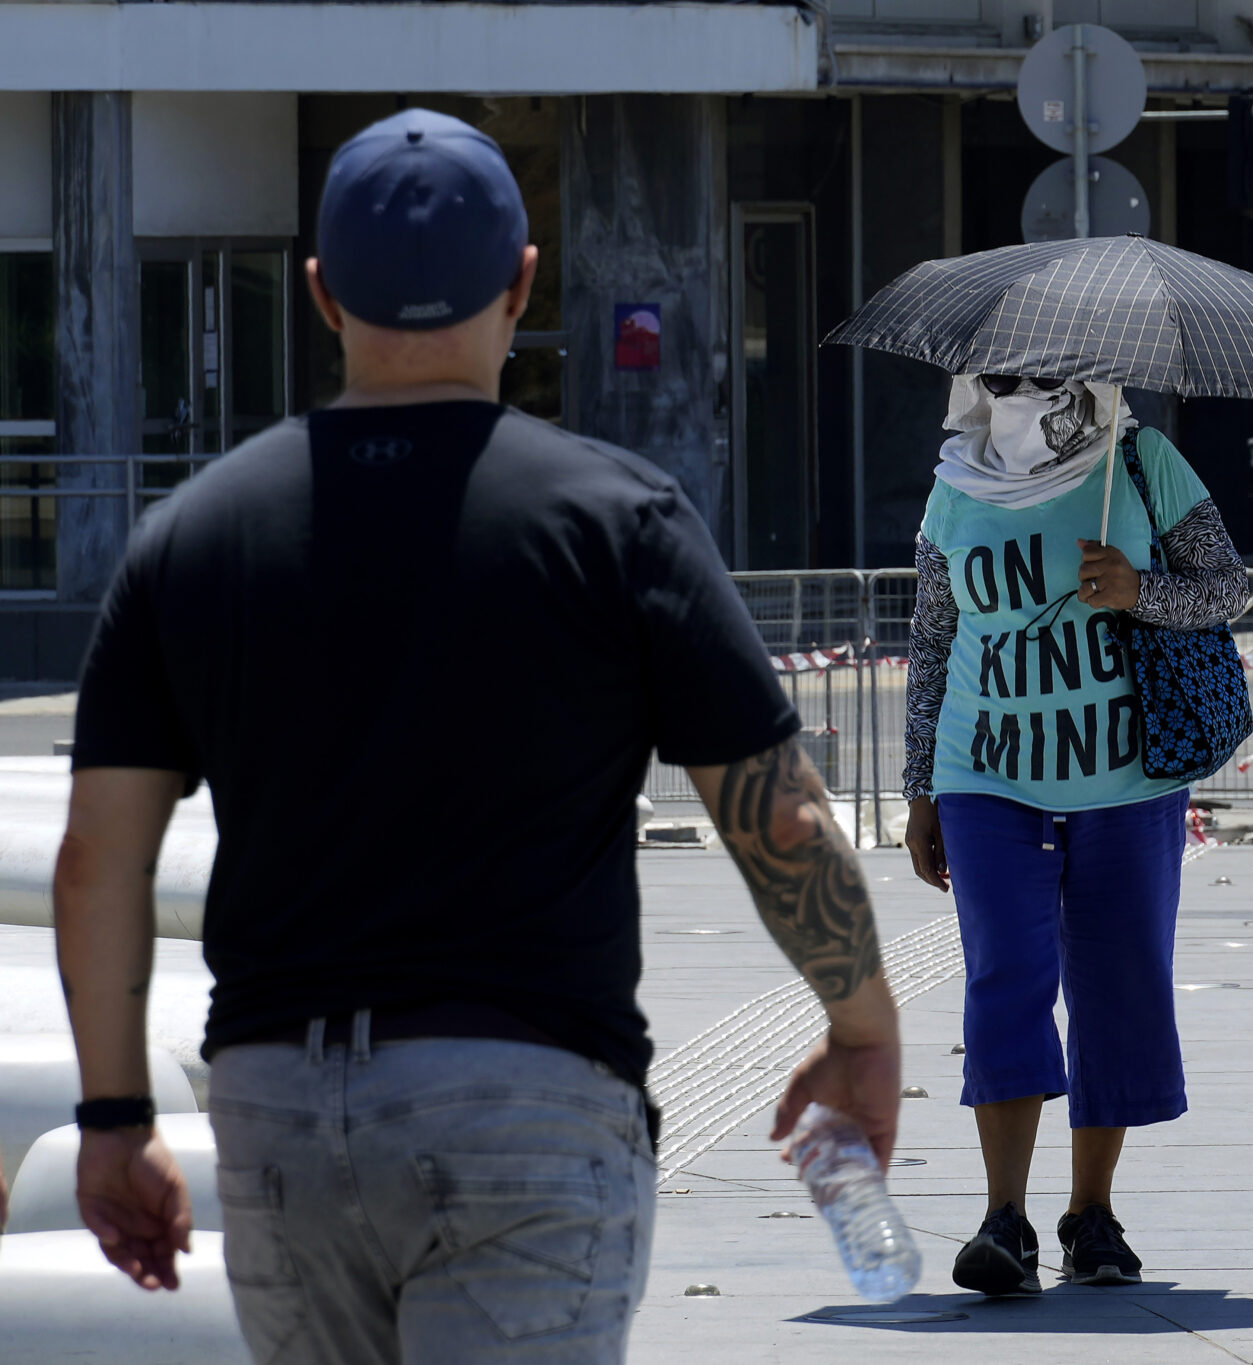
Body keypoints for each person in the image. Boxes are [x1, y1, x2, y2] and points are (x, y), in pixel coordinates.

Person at [54, 109, 900, 1362]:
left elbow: (99, 859)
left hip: (278, 1097)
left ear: (322, 293)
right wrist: (862, 1028)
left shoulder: (193, 536)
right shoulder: (618, 521)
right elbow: (778, 817)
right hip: (529, 1098)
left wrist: (117, 1117)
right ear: (521, 282)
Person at [901, 374, 1248, 1295]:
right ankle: (1002, 1218)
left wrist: (1140, 590)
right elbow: (934, 643)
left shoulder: (1142, 461)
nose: (1024, 389)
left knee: (1119, 986)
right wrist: (920, 789)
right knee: (1003, 980)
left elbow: (1227, 588)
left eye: (1046, 370)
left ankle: (1089, 1213)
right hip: (986, 777)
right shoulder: (954, 483)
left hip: (1126, 781)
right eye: (1003, 373)